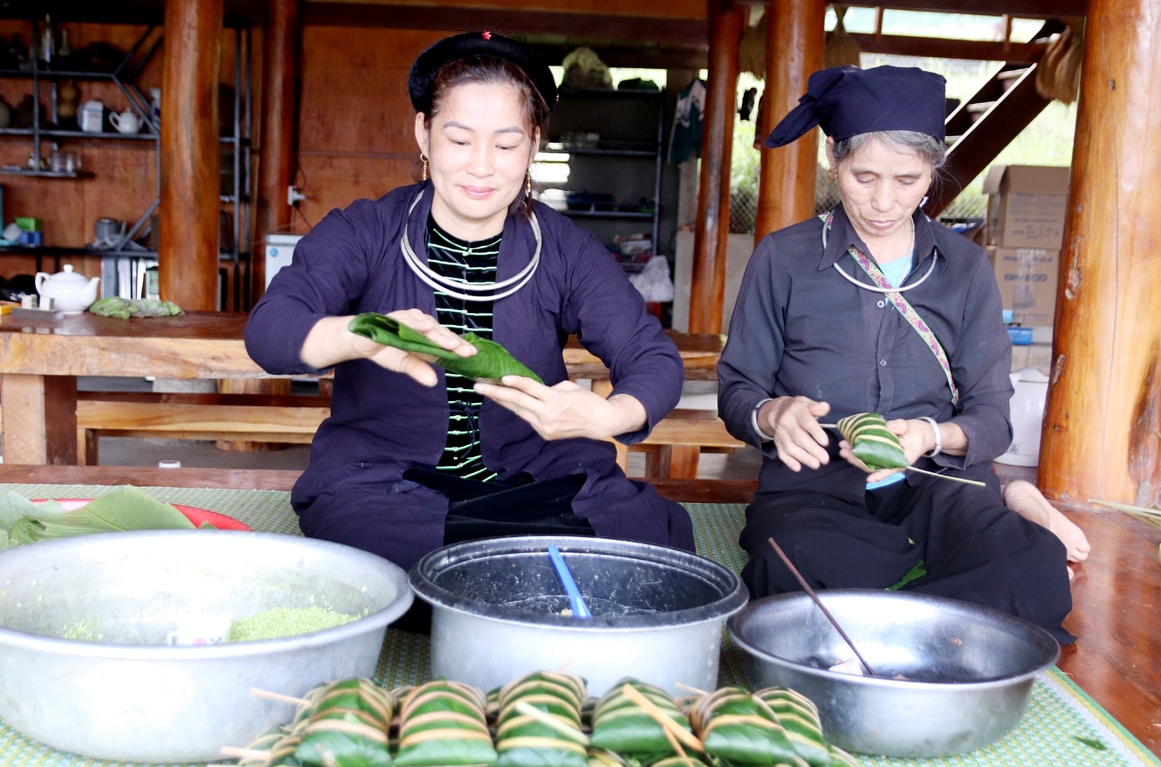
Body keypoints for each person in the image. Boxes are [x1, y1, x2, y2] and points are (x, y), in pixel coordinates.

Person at [244, 31, 695, 580]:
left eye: (505, 146)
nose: (481, 167)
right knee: (370, 552)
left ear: (533, 144)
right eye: (459, 140)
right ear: (424, 133)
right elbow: (271, 330)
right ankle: (511, 571)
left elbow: (651, 357)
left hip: (536, 477)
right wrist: (364, 333)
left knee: (645, 534)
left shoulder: (564, 248)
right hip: (388, 485)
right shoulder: (365, 230)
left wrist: (607, 415)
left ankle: (494, 571)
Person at [717, 64, 1076, 644]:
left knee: (1031, 568)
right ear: (834, 157)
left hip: (937, 486)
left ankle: (860, 631)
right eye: (864, 177)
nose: (884, 202)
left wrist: (930, 437)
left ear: (932, 169)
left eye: (908, 180)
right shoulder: (783, 259)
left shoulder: (964, 270)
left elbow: (992, 416)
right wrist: (771, 415)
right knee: (791, 565)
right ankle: (938, 631)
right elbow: (738, 388)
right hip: (815, 491)